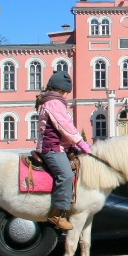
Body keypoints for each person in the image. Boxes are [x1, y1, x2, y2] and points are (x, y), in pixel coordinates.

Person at [36, 71, 90, 230]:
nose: (67, 95)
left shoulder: (52, 101)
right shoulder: (54, 102)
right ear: (61, 89)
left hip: (58, 146)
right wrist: (82, 144)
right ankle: (56, 213)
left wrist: (72, 146)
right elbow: (64, 126)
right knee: (66, 175)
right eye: (66, 92)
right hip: (51, 148)